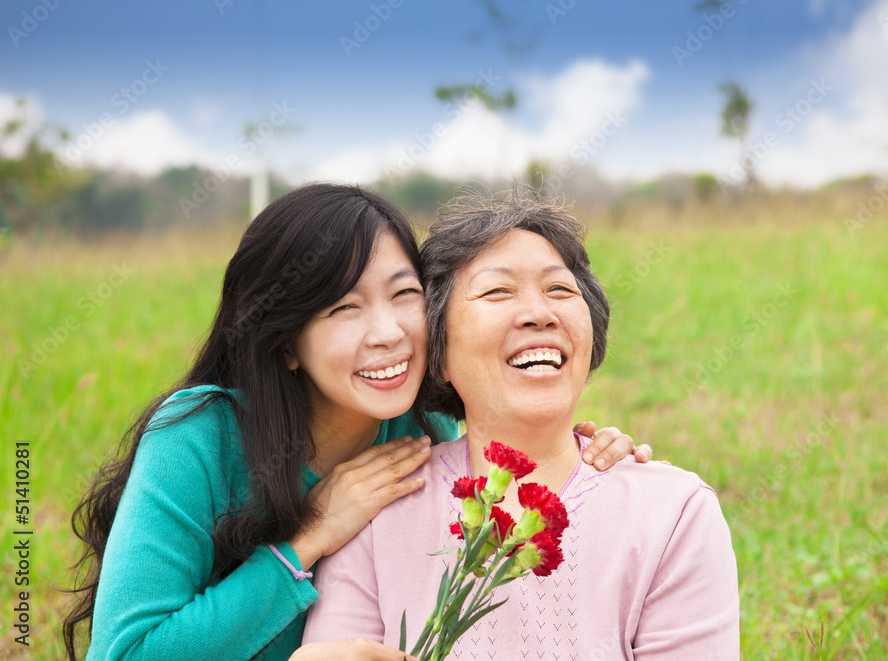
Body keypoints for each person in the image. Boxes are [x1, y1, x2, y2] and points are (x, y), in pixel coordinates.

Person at [64, 184, 651, 661]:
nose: (389, 332)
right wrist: (309, 539)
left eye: (404, 295)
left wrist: (593, 458)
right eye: (344, 308)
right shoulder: (200, 436)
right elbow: (124, 654)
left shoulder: (424, 438)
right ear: (286, 342)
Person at [302, 187, 740, 659]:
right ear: (439, 351)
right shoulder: (375, 504)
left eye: (559, 289)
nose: (539, 314)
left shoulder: (673, 512)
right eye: (497, 291)